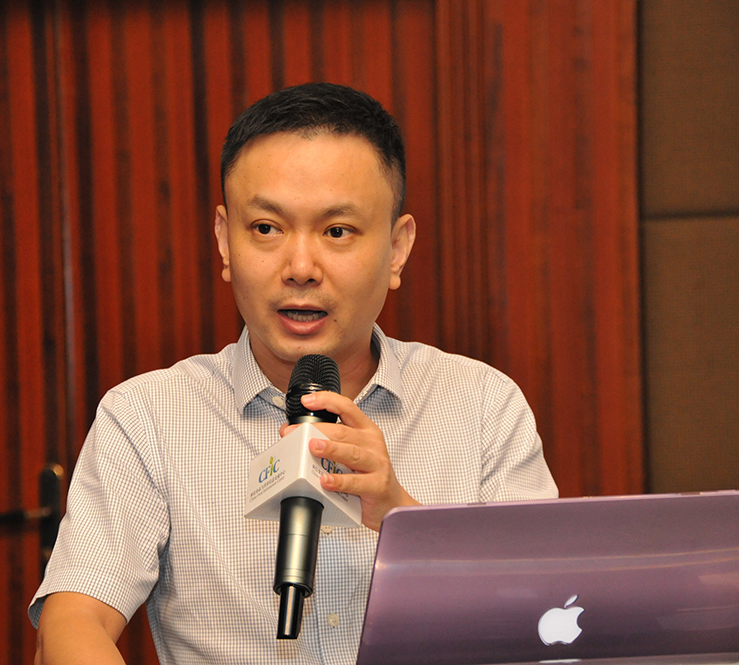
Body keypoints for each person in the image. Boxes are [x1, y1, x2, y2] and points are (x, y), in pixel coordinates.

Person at [30, 82, 558, 665]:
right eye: (266, 228)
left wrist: (404, 520)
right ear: (224, 241)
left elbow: (544, 621)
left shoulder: (482, 406)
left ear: (397, 249)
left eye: (337, 232)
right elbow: (72, 620)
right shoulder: (148, 417)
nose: (300, 267)